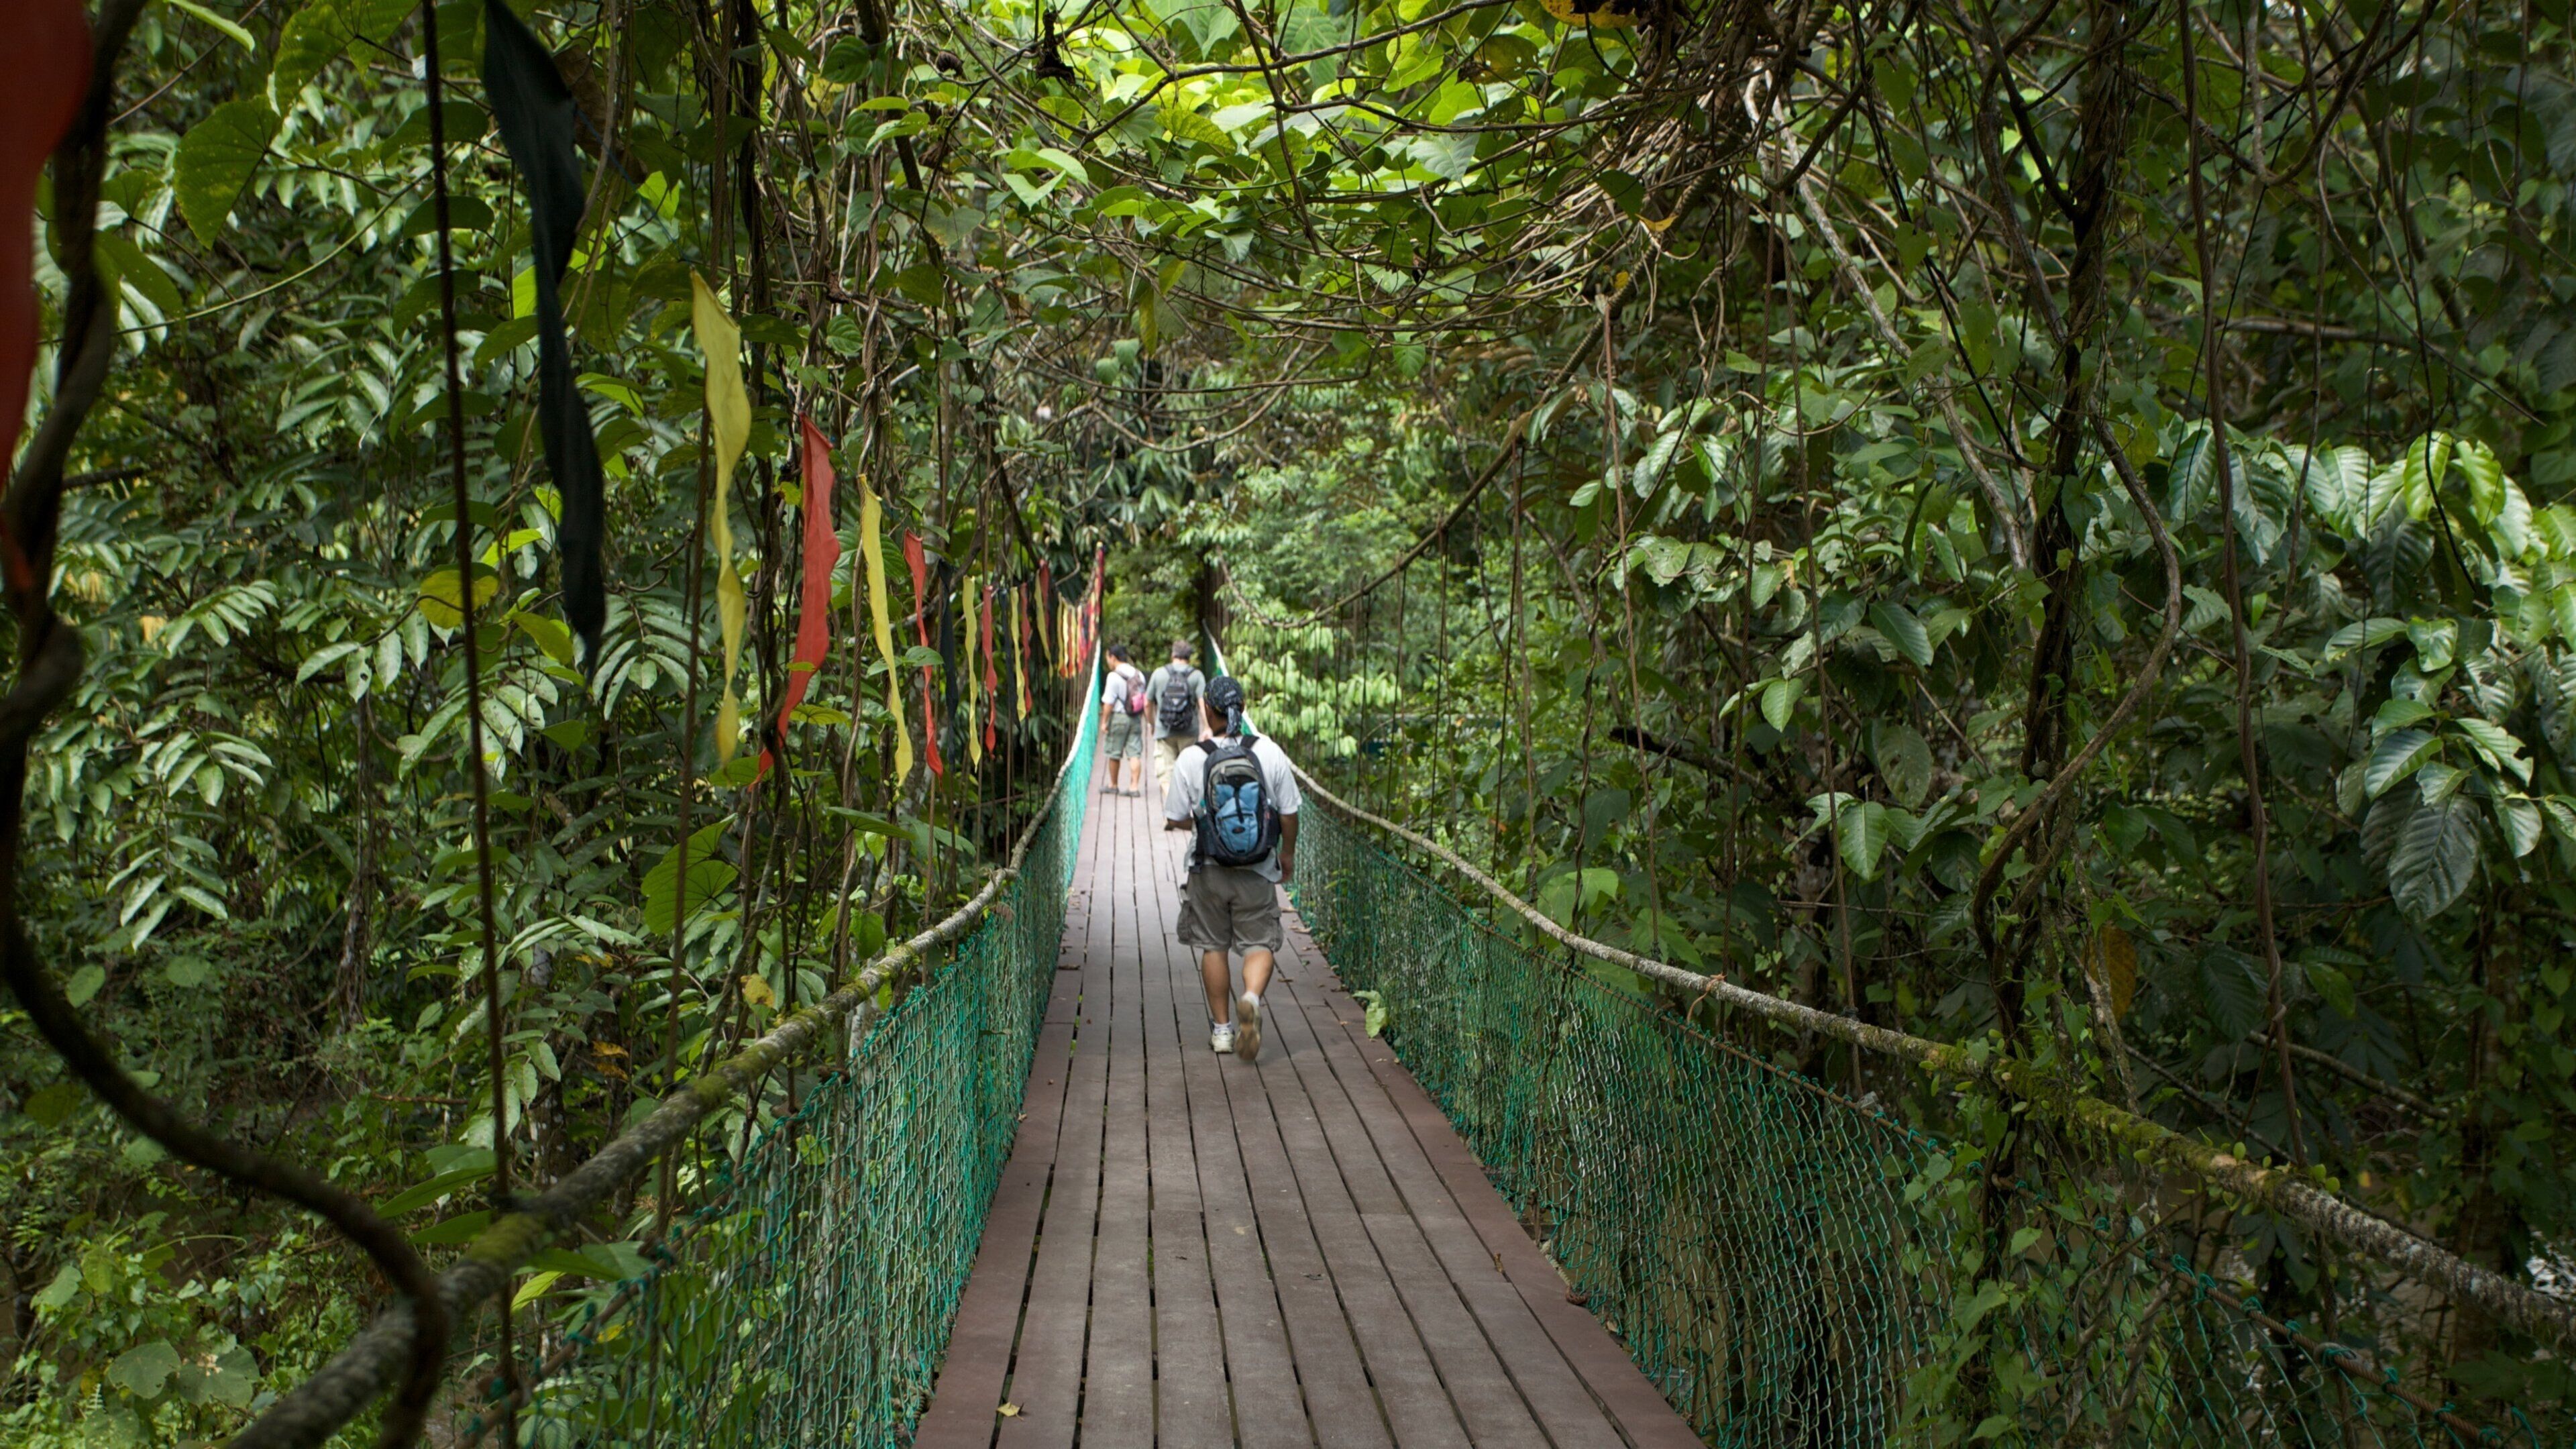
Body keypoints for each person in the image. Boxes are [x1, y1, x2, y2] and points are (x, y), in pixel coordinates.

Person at [1163, 676, 1299, 1061]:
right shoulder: (1269, 752)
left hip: (1208, 868)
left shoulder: (1193, 757)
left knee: (1213, 945)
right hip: (1257, 868)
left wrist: (1204, 820)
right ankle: (1252, 998)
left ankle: (1222, 1032)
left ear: (1208, 709)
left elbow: (1177, 818)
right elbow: (1289, 812)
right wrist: (1286, 855)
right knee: (1259, 942)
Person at [1144, 639, 1207, 794]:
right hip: (1189, 731)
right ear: (1189, 657)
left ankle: (1173, 811)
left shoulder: (1159, 673)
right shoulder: (1197, 675)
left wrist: (1152, 724)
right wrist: (1208, 727)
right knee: (1189, 773)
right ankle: (1186, 809)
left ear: (1173, 654)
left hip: (1164, 731)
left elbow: (1147, 703)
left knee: (1166, 776)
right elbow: (1202, 703)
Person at [1098, 644, 1147, 795]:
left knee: (1114, 752)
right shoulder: (1139, 674)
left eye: (1108, 657)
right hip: (1135, 717)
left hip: (1119, 717)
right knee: (1135, 753)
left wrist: (1104, 721)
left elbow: (1109, 702)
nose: (1108, 661)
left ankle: (1113, 785)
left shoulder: (1114, 676)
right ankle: (1134, 787)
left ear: (1113, 657)